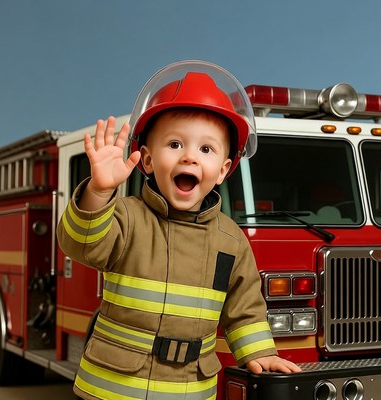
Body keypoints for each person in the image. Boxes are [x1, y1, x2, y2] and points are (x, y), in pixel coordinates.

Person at [57, 60, 301, 400]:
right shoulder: (127, 217)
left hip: (189, 389)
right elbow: (80, 244)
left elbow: (244, 307)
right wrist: (98, 193)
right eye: (174, 145)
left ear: (223, 169)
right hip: (111, 389)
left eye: (206, 149)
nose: (189, 157)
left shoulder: (231, 241)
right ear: (147, 160)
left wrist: (260, 352)